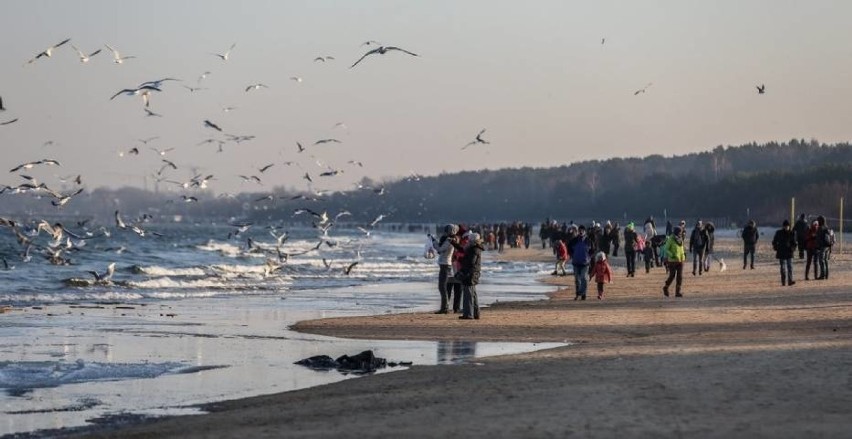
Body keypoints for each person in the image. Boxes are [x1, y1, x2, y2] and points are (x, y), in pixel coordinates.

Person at [430, 224, 458, 314]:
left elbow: (440, 249)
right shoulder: (451, 240)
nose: (444, 232)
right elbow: (441, 249)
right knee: (443, 287)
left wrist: (434, 242)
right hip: (445, 264)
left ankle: (444, 308)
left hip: (445, 265)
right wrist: (435, 241)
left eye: (446, 230)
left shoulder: (450, 240)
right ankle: (444, 307)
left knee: (442, 287)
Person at [456, 232, 484, 320]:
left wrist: (461, 260)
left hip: (470, 274)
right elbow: (462, 249)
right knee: (473, 295)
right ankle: (476, 313)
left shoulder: (473, 249)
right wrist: (453, 243)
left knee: (468, 295)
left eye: (469, 239)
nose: (468, 241)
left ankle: (468, 314)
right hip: (473, 273)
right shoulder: (475, 248)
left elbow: (470, 262)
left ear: (472, 240)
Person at [568, 225, 591, 300]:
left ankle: (583, 293)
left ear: (584, 231)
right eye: (580, 230)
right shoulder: (574, 240)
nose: (581, 231)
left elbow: (593, 249)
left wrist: (589, 257)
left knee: (584, 278)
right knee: (577, 280)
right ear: (578, 231)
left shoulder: (588, 241)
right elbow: (569, 248)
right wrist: (571, 255)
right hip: (576, 263)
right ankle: (578, 293)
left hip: (585, 263)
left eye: (582, 230)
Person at [771, 219, 797, 286]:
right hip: (781, 252)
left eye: (787, 226)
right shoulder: (779, 233)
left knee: (790, 267)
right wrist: (776, 248)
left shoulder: (792, 233)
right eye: (785, 226)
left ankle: (790, 281)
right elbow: (774, 241)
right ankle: (783, 281)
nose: (786, 227)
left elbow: (794, 243)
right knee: (783, 268)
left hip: (789, 252)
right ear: (783, 226)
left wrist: (792, 249)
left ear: (789, 226)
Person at [663, 226, 686, 297]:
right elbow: (666, 249)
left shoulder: (680, 239)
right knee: (672, 275)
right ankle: (666, 287)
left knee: (680, 276)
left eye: (681, 232)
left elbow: (681, 248)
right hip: (672, 261)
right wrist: (671, 254)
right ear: (676, 232)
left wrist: (683, 256)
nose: (680, 234)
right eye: (679, 232)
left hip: (680, 260)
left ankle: (677, 292)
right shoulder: (671, 239)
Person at [815, 215, 832, 280]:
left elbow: (818, 239)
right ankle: (826, 275)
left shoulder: (820, 228)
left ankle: (822, 275)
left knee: (821, 261)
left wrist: (817, 246)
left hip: (822, 246)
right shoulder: (826, 227)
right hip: (828, 246)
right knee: (825, 260)